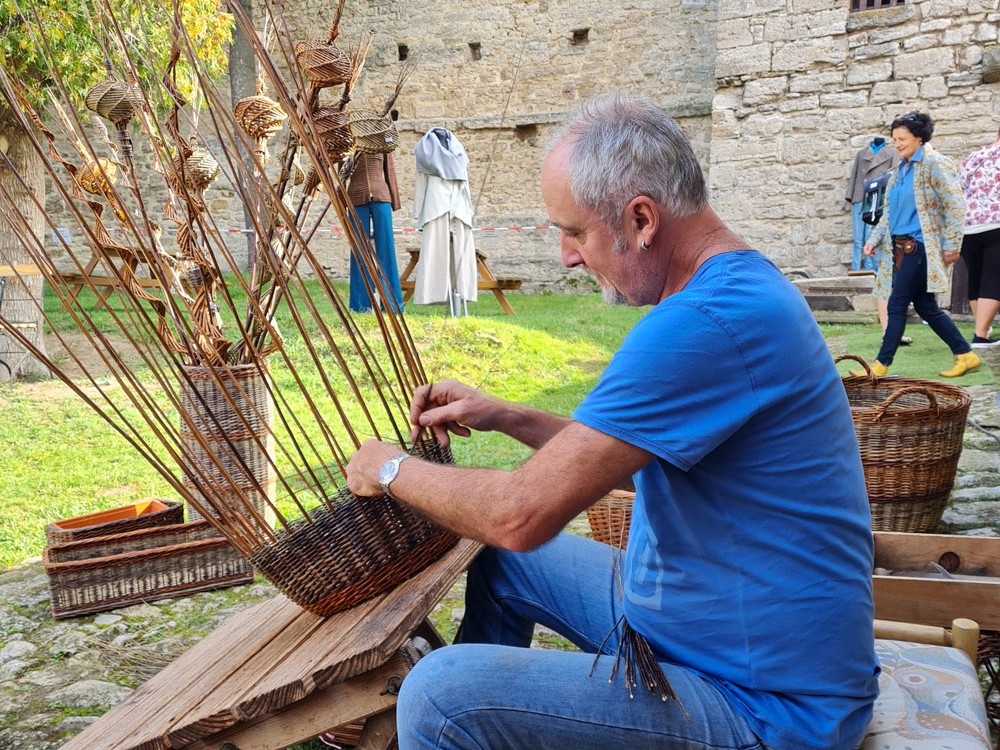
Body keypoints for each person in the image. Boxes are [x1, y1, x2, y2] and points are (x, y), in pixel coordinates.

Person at [346, 92, 879, 750]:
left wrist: (388, 468)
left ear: (641, 219)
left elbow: (519, 516)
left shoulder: (703, 324)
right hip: (690, 621)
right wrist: (502, 414)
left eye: (575, 232)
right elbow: (611, 452)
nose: (569, 256)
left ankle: (453, 729)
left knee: (439, 695)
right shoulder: (734, 291)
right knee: (505, 570)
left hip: (770, 705)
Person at [859, 111, 979, 377]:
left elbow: (956, 205)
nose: (897, 144)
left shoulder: (935, 164)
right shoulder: (899, 171)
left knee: (896, 303)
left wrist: (952, 245)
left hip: (921, 246)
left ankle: (880, 366)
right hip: (899, 248)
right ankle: (966, 354)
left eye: (902, 139)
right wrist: (873, 240)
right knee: (926, 307)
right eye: (894, 139)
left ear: (919, 137)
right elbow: (888, 212)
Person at [345, 151, 405, 314]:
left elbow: (390, 172)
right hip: (356, 198)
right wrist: (340, 200)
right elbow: (341, 174)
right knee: (359, 252)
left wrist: (395, 200)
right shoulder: (350, 144)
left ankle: (393, 305)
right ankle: (360, 306)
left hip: (381, 198)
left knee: (387, 250)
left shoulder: (381, 142)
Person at [959, 127, 1000, 347]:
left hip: (969, 227)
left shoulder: (973, 157)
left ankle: (982, 328)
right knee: (993, 279)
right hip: (996, 223)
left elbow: (960, 188)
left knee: (975, 278)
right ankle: (981, 335)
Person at [846, 135, 897, 272]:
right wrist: (850, 195)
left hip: (877, 197)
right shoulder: (862, 153)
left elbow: (894, 174)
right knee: (857, 237)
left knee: (872, 235)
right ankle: (855, 269)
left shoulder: (891, 153)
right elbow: (854, 174)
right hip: (860, 195)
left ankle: (871, 269)